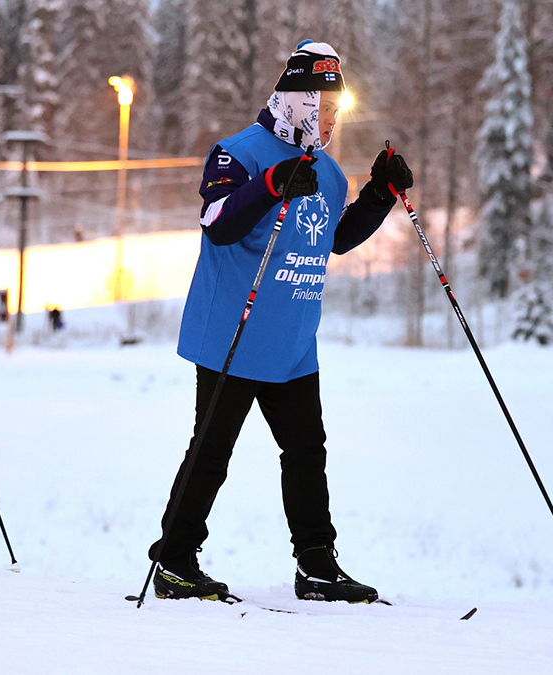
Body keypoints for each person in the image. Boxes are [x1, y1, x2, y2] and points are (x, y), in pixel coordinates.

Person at [148, 41, 414, 603]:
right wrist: (270, 185)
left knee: (307, 451)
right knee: (212, 451)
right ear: (300, 101)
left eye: (339, 107)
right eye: (328, 105)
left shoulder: (329, 172)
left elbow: (333, 239)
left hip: (292, 339)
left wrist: (380, 194)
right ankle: (174, 562)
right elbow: (216, 221)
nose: (336, 117)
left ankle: (317, 566)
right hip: (233, 335)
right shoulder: (236, 153)